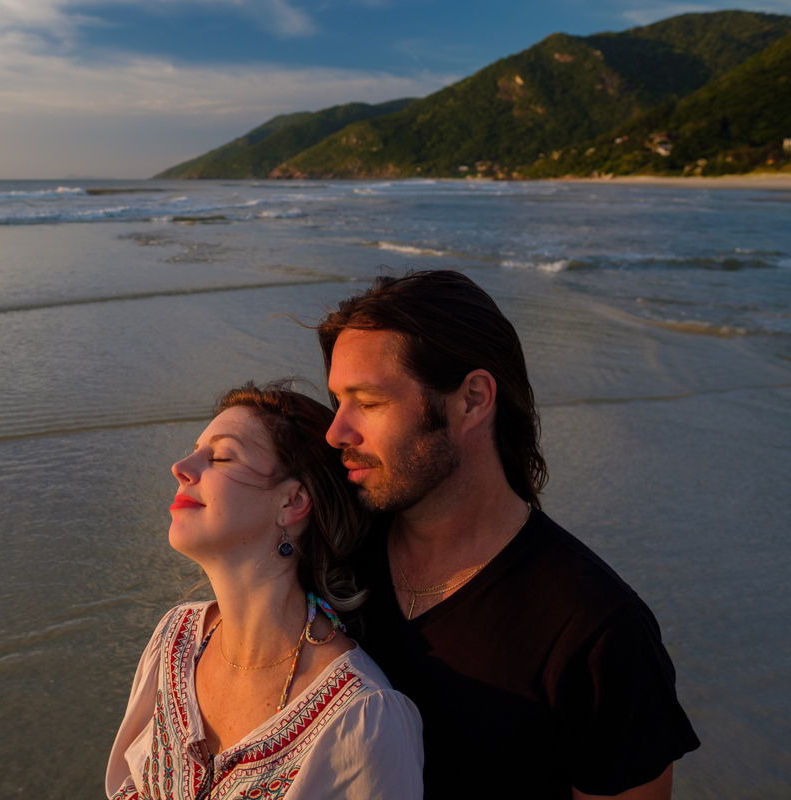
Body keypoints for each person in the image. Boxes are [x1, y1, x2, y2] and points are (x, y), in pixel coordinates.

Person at [317, 270, 700, 799]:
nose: (337, 431)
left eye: (369, 402)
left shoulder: (594, 629)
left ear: (472, 399)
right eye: (338, 400)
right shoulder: (332, 557)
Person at [106, 382, 424, 800]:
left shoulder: (361, 720)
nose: (181, 467)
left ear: (292, 503)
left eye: (220, 456)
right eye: (195, 450)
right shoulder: (174, 641)